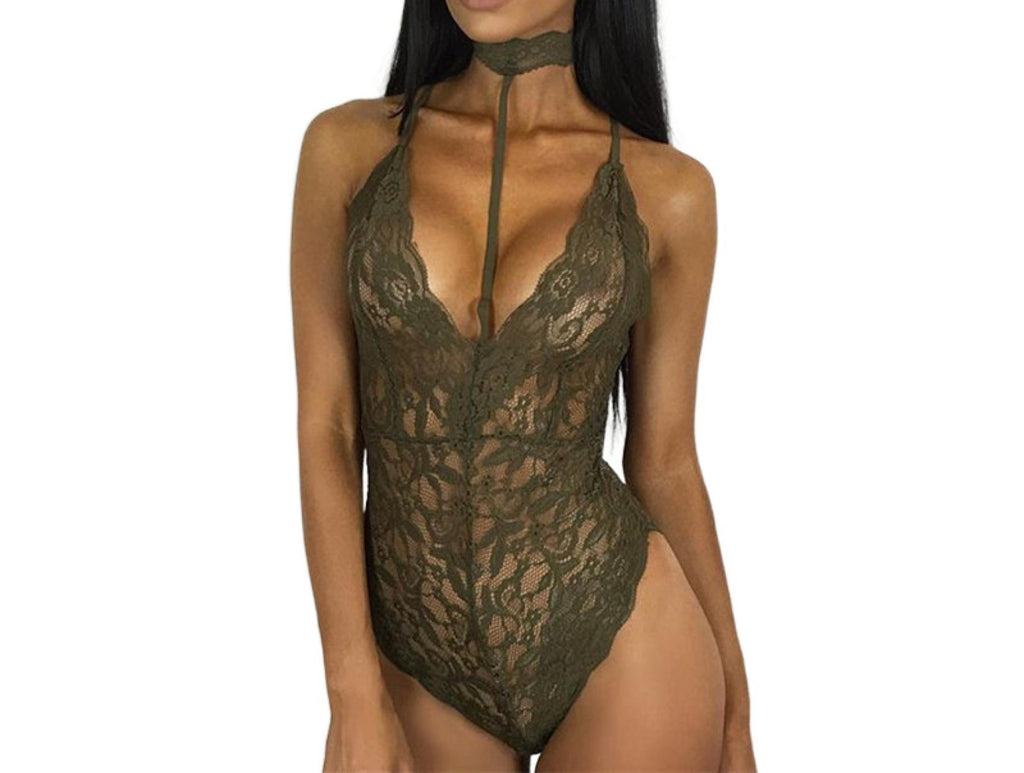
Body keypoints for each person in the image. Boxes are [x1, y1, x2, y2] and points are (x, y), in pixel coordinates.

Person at [290, 1, 755, 770]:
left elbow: (666, 460)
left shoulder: (670, 192)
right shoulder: (347, 149)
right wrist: (352, 690)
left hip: (620, 633)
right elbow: (329, 427)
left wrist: (737, 719)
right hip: (415, 646)